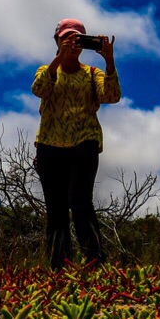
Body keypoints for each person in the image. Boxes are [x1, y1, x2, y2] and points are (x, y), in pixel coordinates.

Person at [32, 18, 120, 269]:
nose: (72, 43)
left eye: (78, 39)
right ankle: (59, 268)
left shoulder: (93, 74)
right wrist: (59, 59)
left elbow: (111, 96)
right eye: (66, 38)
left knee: (81, 203)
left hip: (84, 144)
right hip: (50, 146)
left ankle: (95, 264)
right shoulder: (46, 70)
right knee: (56, 210)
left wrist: (109, 61)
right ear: (57, 41)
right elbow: (39, 89)